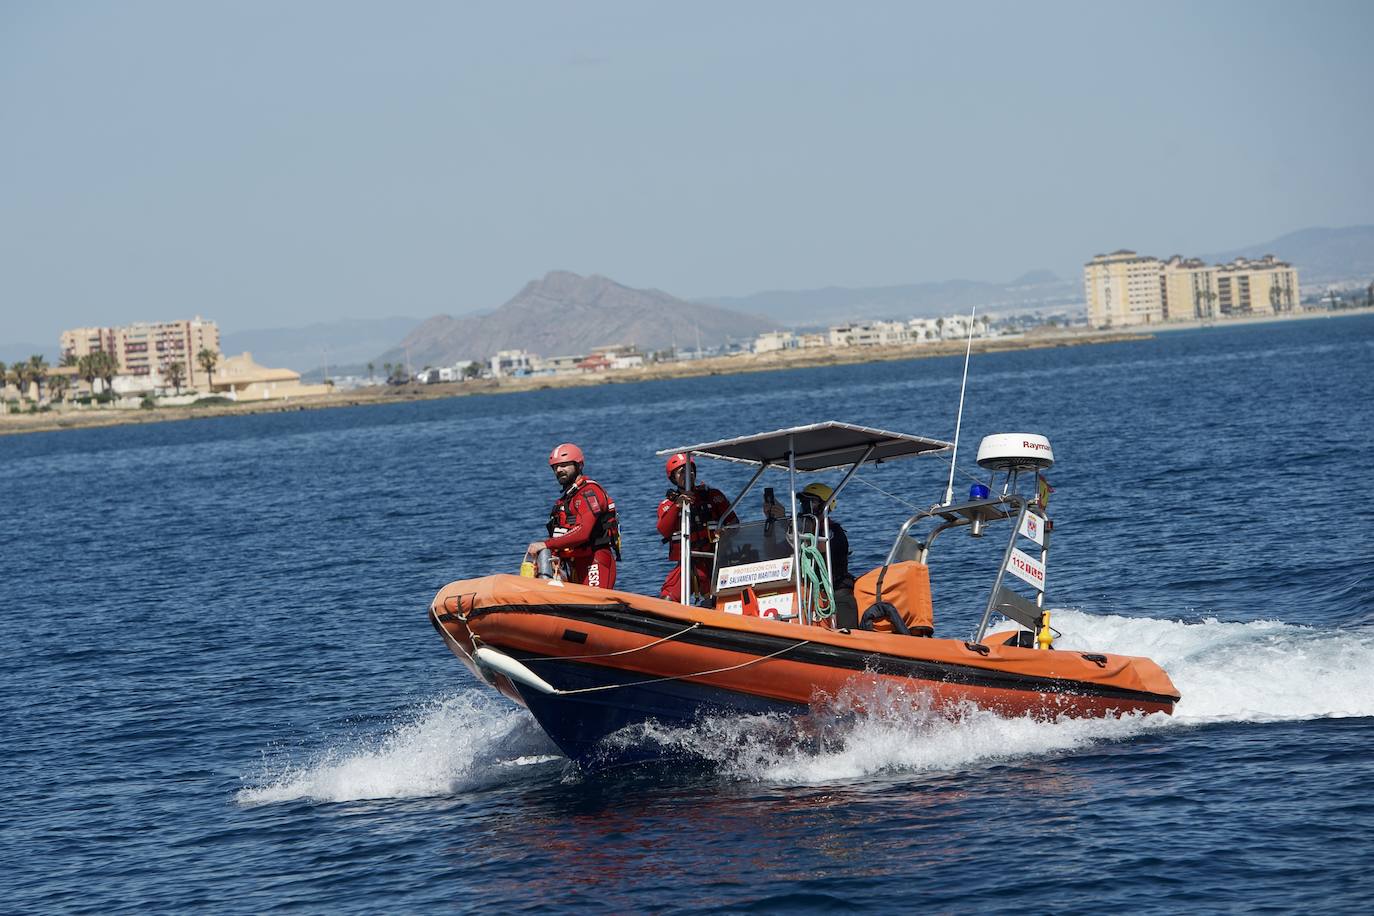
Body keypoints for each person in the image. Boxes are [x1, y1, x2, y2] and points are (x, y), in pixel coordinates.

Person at [527, 443, 620, 589]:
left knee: (592, 602)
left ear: (579, 465)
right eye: (555, 467)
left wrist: (546, 544)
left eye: (564, 465)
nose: (559, 470)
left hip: (594, 560)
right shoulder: (567, 498)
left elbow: (583, 532)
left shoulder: (589, 492)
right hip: (573, 563)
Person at [771, 482, 858, 626]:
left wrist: (786, 524)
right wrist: (774, 521)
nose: (806, 507)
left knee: (842, 606)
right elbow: (777, 550)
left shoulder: (834, 532)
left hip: (836, 591)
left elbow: (814, 546)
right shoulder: (797, 533)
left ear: (825, 506)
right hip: (808, 592)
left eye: (812, 502)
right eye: (804, 502)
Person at [657, 452, 736, 601]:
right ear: (673, 477)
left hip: (713, 558)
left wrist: (725, 532)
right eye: (682, 472)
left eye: (691, 470)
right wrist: (677, 506)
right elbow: (663, 530)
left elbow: (733, 522)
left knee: (717, 599)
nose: (688, 474)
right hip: (687, 562)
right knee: (667, 599)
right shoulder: (667, 505)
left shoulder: (712, 496)